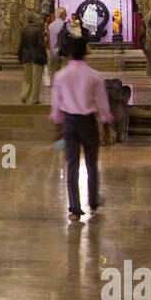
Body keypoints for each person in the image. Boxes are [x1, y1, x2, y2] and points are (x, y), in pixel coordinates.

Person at [49, 37, 113, 221]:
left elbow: (56, 104)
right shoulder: (94, 75)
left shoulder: (60, 75)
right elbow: (101, 102)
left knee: (72, 165)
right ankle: (93, 201)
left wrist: (57, 124)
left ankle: (75, 209)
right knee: (92, 163)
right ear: (85, 52)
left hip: (69, 122)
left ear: (68, 53)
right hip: (88, 122)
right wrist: (105, 120)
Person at [16, 13, 48, 104]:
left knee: (27, 78)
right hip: (37, 55)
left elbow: (21, 44)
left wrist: (20, 57)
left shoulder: (24, 29)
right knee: (36, 78)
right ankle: (35, 99)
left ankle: (24, 95)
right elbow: (41, 44)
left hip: (26, 55)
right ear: (35, 20)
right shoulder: (39, 29)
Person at [47, 7, 69, 79]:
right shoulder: (66, 25)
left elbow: (48, 38)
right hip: (64, 52)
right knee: (65, 75)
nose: (66, 16)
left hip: (53, 53)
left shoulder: (50, 26)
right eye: (65, 14)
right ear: (61, 15)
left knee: (54, 73)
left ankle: (55, 88)